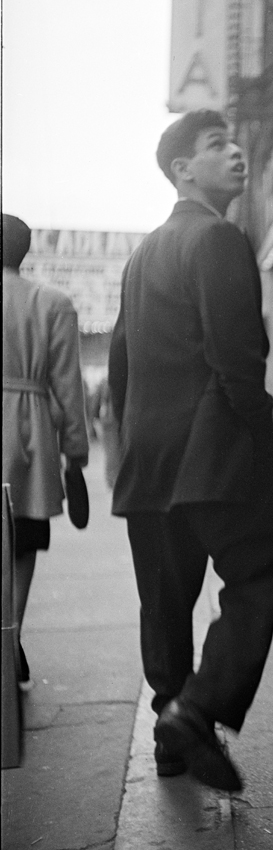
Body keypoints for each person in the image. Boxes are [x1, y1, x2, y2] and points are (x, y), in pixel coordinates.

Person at [109, 109, 273, 792]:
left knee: (164, 599)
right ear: (182, 169)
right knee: (265, 565)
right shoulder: (218, 237)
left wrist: (127, 454)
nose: (236, 153)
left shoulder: (142, 256)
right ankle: (197, 710)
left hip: (150, 463)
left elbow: (121, 366)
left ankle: (171, 730)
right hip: (216, 451)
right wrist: (262, 430)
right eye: (216, 146)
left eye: (233, 142)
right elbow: (237, 358)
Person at [2, 213, 90, 691]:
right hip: (28, 431)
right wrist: (75, 451)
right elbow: (68, 386)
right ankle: (8, 641)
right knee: (23, 539)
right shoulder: (51, 302)